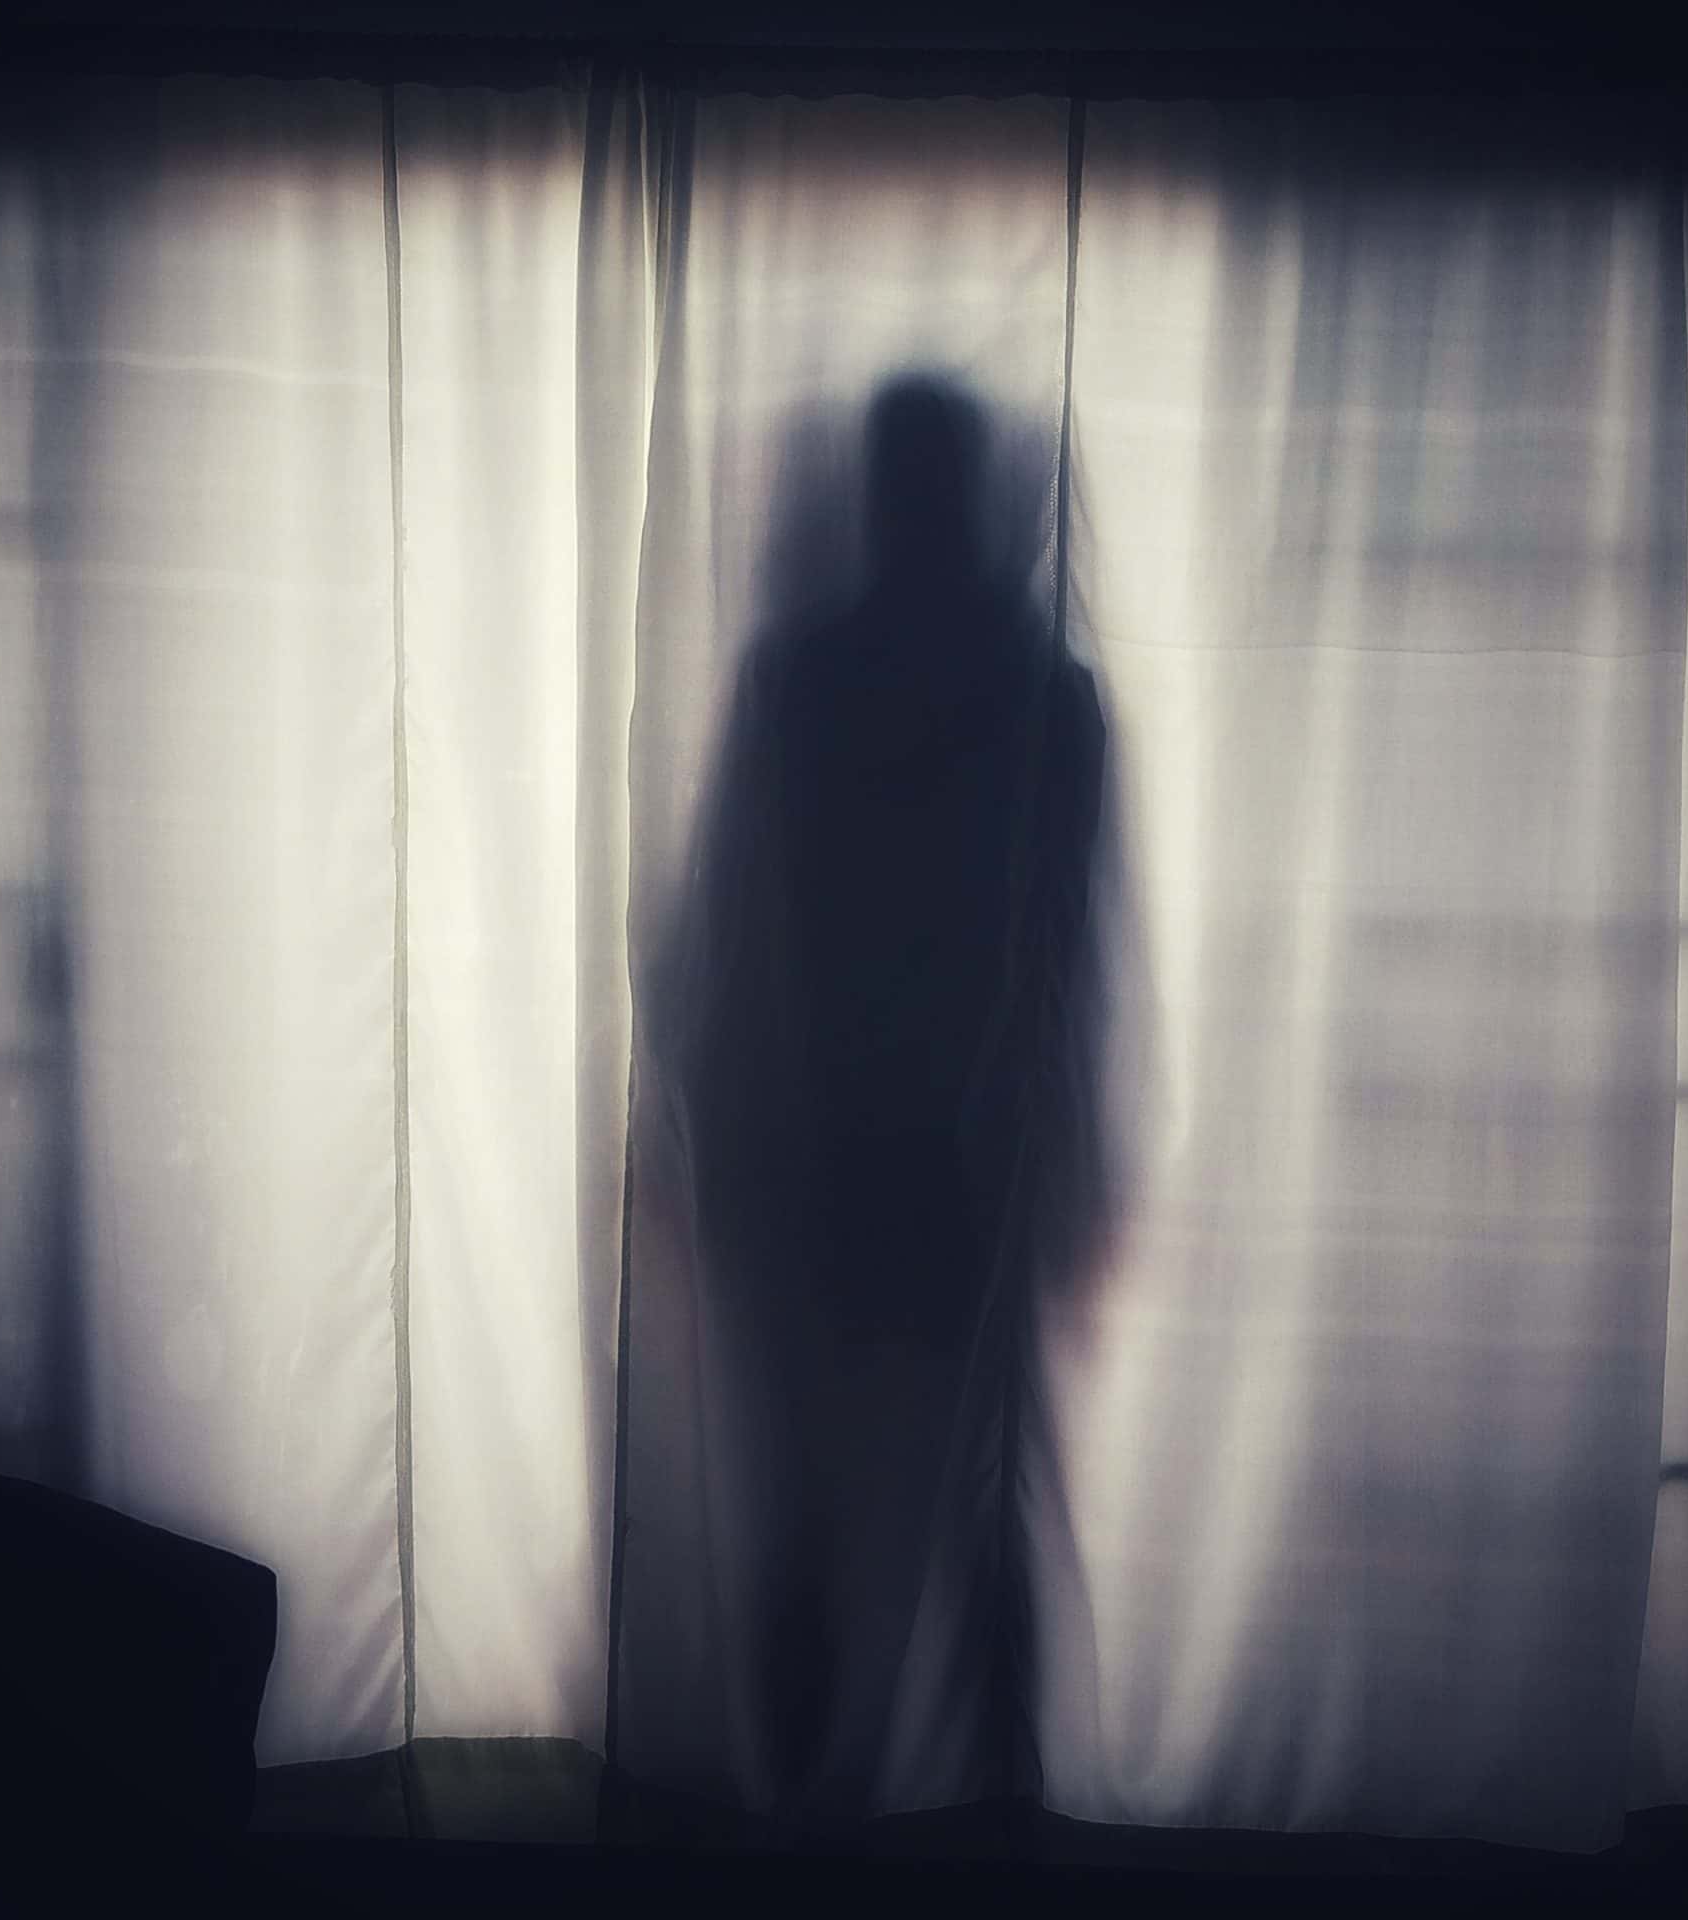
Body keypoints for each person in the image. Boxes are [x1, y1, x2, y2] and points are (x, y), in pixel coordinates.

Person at [650, 371, 1108, 1818]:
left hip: (825, 1151)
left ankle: (827, 1792)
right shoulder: (1045, 703)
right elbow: (1072, 964)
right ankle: (933, 1793)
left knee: (831, 1501)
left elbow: (715, 931)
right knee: (947, 1500)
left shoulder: (805, 682)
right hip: (925, 1156)